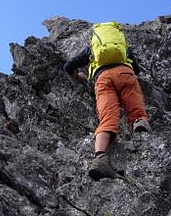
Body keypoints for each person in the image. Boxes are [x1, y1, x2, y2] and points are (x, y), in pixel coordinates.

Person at [63, 22, 151, 181]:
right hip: (125, 73)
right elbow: (137, 70)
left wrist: (78, 76)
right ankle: (140, 124)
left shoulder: (92, 49)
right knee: (136, 110)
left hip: (102, 79)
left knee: (107, 118)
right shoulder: (123, 46)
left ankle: (100, 158)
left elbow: (68, 66)